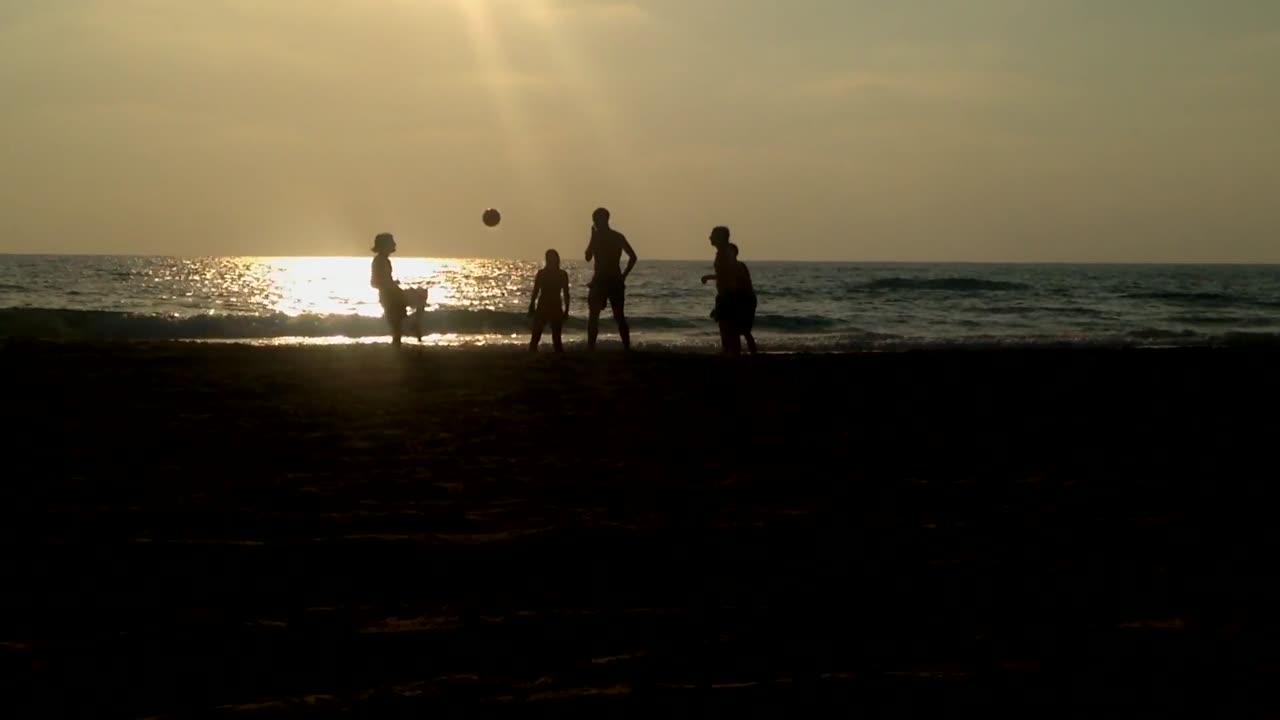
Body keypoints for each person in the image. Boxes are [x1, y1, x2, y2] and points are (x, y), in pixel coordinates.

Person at [584, 207, 637, 351]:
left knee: (615, 316)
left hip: (608, 280)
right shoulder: (613, 237)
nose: (595, 222)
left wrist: (623, 276)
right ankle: (592, 348)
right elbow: (588, 257)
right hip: (606, 280)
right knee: (599, 316)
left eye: (597, 219)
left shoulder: (615, 237)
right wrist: (593, 237)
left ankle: (625, 347)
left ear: (604, 220)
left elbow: (633, 257)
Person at [370, 232, 427, 347]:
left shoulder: (382, 260)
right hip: (390, 297)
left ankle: (412, 330)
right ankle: (413, 330)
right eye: (392, 242)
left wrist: (393, 285)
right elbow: (375, 282)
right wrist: (391, 287)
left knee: (398, 323)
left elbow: (381, 280)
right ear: (385, 245)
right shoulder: (380, 261)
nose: (395, 244)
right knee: (397, 324)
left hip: (391, 295)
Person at [528, 249, 570, 353]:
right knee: (536, 335)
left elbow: (566, 293)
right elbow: (536, 290)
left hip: (555, 305)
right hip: (543, 305)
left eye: (553, 258)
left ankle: (558, 358)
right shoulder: (542, 273)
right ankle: (533, 353)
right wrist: (532, 304)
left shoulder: (562, 274)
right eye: (549, 258)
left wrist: (567, 309)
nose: (551, 261)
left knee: (556, 338)